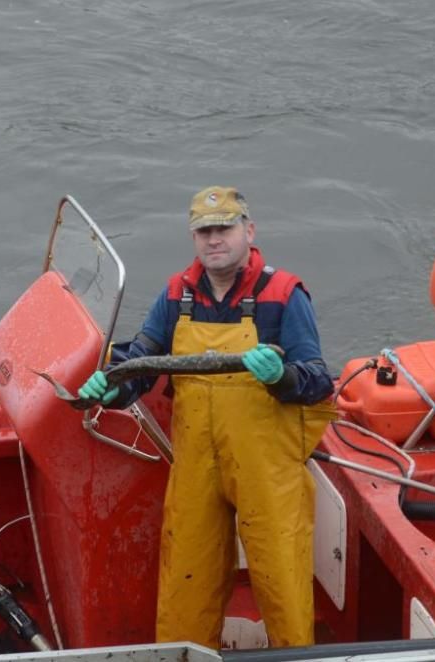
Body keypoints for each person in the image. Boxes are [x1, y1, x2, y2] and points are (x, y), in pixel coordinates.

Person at [78, 186, 335, 648]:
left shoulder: (284, 295)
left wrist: (280, 377)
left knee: (283, 582)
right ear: (194, 238)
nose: (214, 239)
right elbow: (141, 363)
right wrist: (110, 387)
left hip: (268, 471)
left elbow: (318, 380)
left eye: (224, 228)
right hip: (196, 467)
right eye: (204, 232)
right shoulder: (176, 295)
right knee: (185, 585)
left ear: (248, 231)